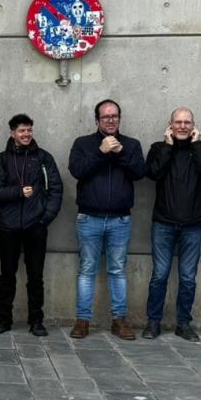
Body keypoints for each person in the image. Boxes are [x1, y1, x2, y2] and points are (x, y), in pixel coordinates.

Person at [67, 99, 145, 340]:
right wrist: (100, 153)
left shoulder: (131, 145)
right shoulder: (83, 144)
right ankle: (83, 320)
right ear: (97, 120)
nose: (111, 120)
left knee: (118, 270)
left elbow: (139, 173)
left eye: (114, 116)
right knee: (87, 270)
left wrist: (120, 153)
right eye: (106, 117)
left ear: (119, 119)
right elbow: (77, 171)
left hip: (120, 220)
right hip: (89, 218)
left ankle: (119, 320)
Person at [143, 108, 201, 342]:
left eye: (187, 122)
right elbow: (153, 173)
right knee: (159, 275)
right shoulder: (158, 149)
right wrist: (167, 147)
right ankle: (153, 322)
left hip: (192, 224)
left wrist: (196, 146)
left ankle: (184, 323)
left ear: (194, 126)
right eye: (178, 122)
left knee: (188, 277)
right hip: (164, 223)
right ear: (170, 125)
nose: (183, 126)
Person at [0, 114, 63, 336]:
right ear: (12, 133)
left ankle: (36, 321)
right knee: (7, 275)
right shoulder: (2, 159)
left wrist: (44, 218)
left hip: (35, 226)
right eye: (22, 130)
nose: (26, 134)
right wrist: (18, 192)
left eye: (29, 130)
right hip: (8, 227)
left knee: (35, 276)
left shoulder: (43, 158)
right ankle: (4, 319)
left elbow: (56, 189)